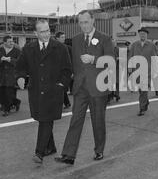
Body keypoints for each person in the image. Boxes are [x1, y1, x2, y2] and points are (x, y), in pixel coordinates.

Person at [55, 10, 115, 165]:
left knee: (98, 121)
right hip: (80, 87)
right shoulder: (75, 40)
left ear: (93, 21)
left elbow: (110, 61)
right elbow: (74, 63)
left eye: (86, 22)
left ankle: (99, 150)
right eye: (81, 22)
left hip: (98, 87)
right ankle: (68, 154)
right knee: (75, 120)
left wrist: (94, 59)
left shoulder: (105, 38)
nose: (83, 25)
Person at [16, 20, 72, 164]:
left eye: (48, 30)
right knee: (43, 119)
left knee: (46, 120)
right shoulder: (28, 48)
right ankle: (50, 147)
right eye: (42, 32)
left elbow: (67, 71)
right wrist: (21, 77)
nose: (46, 34)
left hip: (53, 91)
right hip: (36, 91)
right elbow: (21, 66)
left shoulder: (61, 48)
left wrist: (61, 85)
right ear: (35, 33)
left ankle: (39, 152)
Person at [128, 27, 157, 116]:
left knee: (143, 90)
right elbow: (130, 57)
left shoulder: (151, 45)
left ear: (147, 35)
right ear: (139, 35)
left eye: (144, 34)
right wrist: (130, 69)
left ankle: (142, 108)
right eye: (141, 34)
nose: (142, 35)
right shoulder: (134, 45)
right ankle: (146, 102)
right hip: (137, 72)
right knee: (141, 90)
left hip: (147, 72)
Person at [0, 35, 21, 116]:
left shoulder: (17, 51)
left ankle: (7, 109)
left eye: (12, 41)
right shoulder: (0, 50)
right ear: (4, 42)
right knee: (2, 93)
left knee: (8, 93)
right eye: (9, 41)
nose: (12, 43)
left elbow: (20, 62)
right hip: (1, 75)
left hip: (12, 75)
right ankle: (16, 102)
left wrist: (10, 60)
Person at [55, 31, 72, 109]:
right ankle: (66, 103)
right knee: (60, 88)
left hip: (65, 71)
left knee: (62, 87)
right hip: (56, 71)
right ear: (57, 38)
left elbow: (72, 60)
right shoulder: (53, 47)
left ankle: (62, 103)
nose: (64, 39)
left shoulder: (67, 48)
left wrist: (72, 71)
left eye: (64, 37)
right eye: (62, 37)